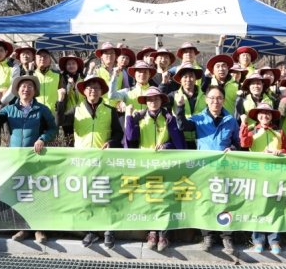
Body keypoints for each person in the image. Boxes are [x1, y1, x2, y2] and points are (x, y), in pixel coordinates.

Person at [55, 75, 124, 250]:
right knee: (87, 195)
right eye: (90, 88)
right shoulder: (76, 109)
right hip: (83, 160)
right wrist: (61, 101)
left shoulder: (110, 110)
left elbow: (118, 133)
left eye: (97, 88)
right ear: (84, 91)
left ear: (102, 92)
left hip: (104, 160)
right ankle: (91, 231)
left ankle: (109, 231)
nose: (93, 91)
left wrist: (112, 142)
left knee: (106, 194)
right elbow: (59, 121)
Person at [0, 75, 59, 244]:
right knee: (19, 192)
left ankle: (39, 229)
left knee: (37, 192)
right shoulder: (9, 109)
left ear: (34, 91)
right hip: (15, 157)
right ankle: (22, 227)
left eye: (29, 86)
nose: (25, 89)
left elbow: (53, 128)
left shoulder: (42, 109)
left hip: (36, 157)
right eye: (22, 86)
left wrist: (42, 138)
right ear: (17, 90)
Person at [175, 85, 241, 255]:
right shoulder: (199, 119)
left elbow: (238, 142)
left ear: (224, 100)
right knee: (205, 201)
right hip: (204, 168)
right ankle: (208, 235)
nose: (215, 101)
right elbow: (182, 126)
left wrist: (233, 148)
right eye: (211, 98)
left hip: (225, 169)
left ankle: (227, 237)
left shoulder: (231, 120)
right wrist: (180, 107)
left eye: (219, 98)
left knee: (226, 201)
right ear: (206, 100)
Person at [125, 87, 186, 252]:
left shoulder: (169, 118)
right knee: (150, 198)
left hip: (165, 165)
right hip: (145, 166)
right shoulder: (139, 117)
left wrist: (166, 145)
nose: (153, 102)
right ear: (146, 102)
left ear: (161, 101)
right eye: (150, 100)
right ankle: (152, 231)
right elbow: (130, 137)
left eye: (156, 99)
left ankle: (165, 234)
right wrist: (129, 117)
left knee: (166, 198)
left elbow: (178, 143)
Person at [239, 104, 286, 255]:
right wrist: (243, 124)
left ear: (272, 116)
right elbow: (244, 143)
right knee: (258, 207)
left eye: (268, 113)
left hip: (275, 174)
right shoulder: (252, 129)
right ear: (257, 115)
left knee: (274, 206)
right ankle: (258, 240)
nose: (265, 116)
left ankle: (274, 241)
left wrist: (280, 151)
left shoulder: (279, 131)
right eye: (262, 113)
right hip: (256, 174)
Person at [165, 62, 205, 150]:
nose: (188, 79)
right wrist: (163, 84)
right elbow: (159, 101)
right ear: (180, 79)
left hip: (201, 139)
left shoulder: (206, 96)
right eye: (185, 77)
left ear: (195, 79)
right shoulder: (173, 95)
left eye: (191, 76)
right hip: (180, 139)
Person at [58, 55, 85, 142]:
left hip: (82, 112)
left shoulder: (83, 78)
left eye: (73, 63)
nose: (71, 65)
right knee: (69, 139)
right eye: (68, 64)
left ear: (78, 66)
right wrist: (69, 85)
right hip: (68, 113)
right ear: (65, 67)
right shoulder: (62, 78)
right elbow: (64, 96)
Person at [94, 42, 123, 107]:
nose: (109, 55)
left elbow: (126, 89)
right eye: (106, 53)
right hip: (100, 108)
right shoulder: (96, 71)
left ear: (115, 56)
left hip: (117, 110)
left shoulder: (121, 71)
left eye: (112, 53)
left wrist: (121, 101)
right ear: (101, 56)